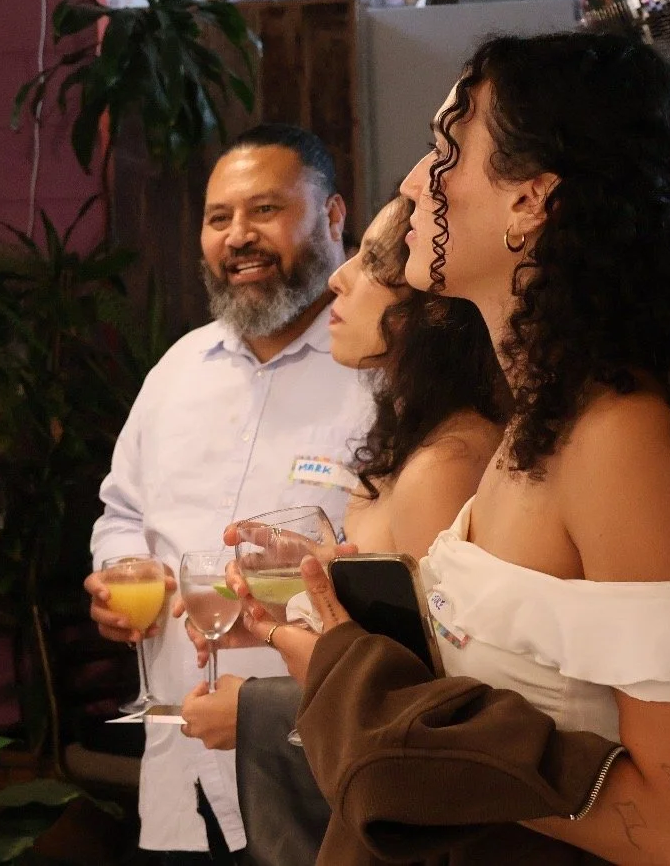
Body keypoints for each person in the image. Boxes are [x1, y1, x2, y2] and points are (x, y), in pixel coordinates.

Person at [293, 31, 670, 865]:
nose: (412, 184)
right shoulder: (547, 411)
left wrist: (366, 692)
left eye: (446, 150)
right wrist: (343, 624)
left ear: (530, 201)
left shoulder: (628, 436)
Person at [176, 196, 506, 866]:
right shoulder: (415, 438)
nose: (339, 276)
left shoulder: (444, 462)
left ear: (435, 304)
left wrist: (260, 708)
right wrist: (322, 577)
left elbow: (430, 706)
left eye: (376, 261)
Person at [87, 123, 373, 864]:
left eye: (265, 211)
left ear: (334, 217)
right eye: (219, 219)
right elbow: (122, 512)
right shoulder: (177, 371)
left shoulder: (381, 373)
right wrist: (127, 570)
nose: (237, 236)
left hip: (320, 778)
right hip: (182, 776)